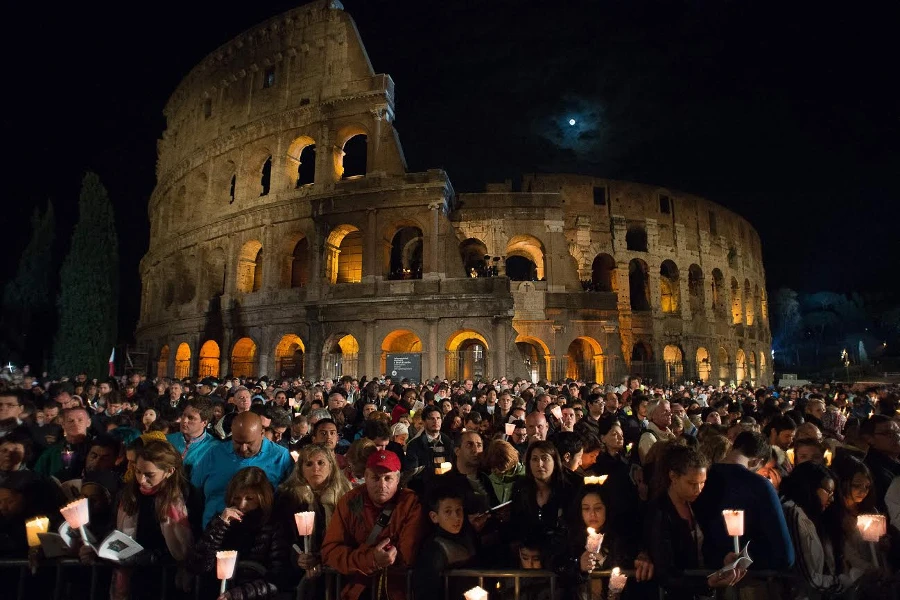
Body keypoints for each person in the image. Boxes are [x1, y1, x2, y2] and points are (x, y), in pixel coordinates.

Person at [644, 444, 745, 600]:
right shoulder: (660, 512)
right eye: (691, 483)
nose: (698, 489)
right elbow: (665, 572)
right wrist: (706, 583)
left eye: (702, 482)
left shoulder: (697, 505)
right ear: (673, 477)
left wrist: (723, 561)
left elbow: (704, 548)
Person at [321, 450, 425, 600]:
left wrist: (362, 555)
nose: (382, 485)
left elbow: (406, 555)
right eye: (375, 478)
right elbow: (330, 551)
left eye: (388, 478)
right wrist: (371, 559)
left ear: (398, 479)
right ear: (366, 477)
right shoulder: (350, 501)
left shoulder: (410, 503)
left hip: (397, 591)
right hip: (358, 591)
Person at [693, 431, 795, 570]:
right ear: (757, 461)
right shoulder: (759, 485)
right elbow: (784, 554)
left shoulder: (700, 480)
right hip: (748, 578)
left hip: (706, 570)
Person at [187, 466, 290, 600]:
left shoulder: (274, 525)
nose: (241, 505)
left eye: (249, 499)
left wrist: (238, 594)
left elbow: (279, 578)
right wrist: (220, 526)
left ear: (262, 498)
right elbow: (198, 565)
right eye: (237, 498)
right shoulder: (221, 520)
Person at [108, 440, 194, 600]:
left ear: (169, 471)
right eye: (138, 471)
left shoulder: (183, 499)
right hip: (133, 578)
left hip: (167, 580)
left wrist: (153, 557)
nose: (141, 479)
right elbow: (113, 529)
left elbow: (188, 546)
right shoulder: (128, 495)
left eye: (150, 475)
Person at [781, 462, 867, 598]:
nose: (831, 499)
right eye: (828, 491)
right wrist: (845, 582)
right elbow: (809, 579)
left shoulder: (810, 517)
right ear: (810, 487)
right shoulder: (793, 514)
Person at [191, 412, 293, 526]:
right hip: (214, 531)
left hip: (260, 534)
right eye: (238, 442)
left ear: (262, 434)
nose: (243, 449)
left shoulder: (280, 457)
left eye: (249, 443)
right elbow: (195, 490)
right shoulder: (214, 453)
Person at [509, 441, 575, 559]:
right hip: (528, 557)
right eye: (534, 459)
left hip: (559, 556)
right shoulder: (520, 489)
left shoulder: (568, 490)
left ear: (555, 461)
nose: (540, 464)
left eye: (545, 458)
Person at [412, 485, 479, 600]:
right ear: (434, 517)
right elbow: (426, 591)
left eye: (459, 510)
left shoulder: (467, 537)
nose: (456, 517)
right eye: (448, 512)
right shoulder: (435, 549)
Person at [166, 396, 218, 475]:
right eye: (184, 415)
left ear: (204, 422)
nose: (184, 420)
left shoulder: (214, 448)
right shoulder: (168, 440)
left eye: (191, 418)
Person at [861, 415, 900, 512]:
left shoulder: (894, 460)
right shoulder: (873, 472)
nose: (897, 436)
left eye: (898, 431)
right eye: (888, 433)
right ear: (869, 439)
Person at [404, 406, 455, 471]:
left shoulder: (448, 442)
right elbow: (412, 471)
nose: (435, 421)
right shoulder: (414, 445)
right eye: (431, 418)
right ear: (424, 422)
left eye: (438, 418)